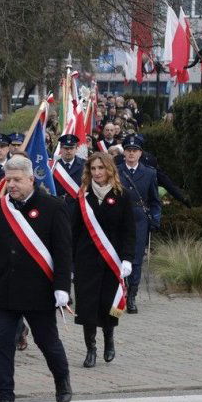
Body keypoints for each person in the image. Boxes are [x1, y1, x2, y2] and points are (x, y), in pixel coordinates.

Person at [0, 155, 73, 402]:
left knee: (47, 341)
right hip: (5, 289)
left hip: (39, 290)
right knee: (1, 343)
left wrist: (62, 287)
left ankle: (62, 381)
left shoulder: (53, 206)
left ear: (31, 179)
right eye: (8, 180)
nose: (12, 185)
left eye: (17, 180)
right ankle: (6, 398)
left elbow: (63, 252)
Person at [71, 153, 135, 368]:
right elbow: (73, 231)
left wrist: (127, 258)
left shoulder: (122, 195)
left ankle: (109, 340)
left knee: (108, 304)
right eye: (93, 169)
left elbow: (129, 231)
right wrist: (70, 263)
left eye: (101, 168)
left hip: (112, 260)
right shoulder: (82, 196)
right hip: (86, 260)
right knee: (87, 306)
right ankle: (91, 349)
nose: (97, 172)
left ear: (109, 169)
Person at [117, 135, 161, 314]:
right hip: (118, 218)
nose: (131, 154)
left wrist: (155, 219)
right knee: (118, 256)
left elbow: (155, 201)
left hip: (139, 218)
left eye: (135, 151)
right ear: (124, 152)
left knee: (135, 259)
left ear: (141, 153)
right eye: (128, 150)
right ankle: (120, 294)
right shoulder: (116, 171)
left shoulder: (150, 173)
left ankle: (132, 296)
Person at [54, 134, 85, 212]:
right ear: (61, 149)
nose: (69, 151)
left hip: (77, 207)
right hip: (58, 206)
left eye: (71, 148)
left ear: (76, 149)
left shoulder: (84, 165)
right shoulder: (53, 165)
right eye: (66, 148)